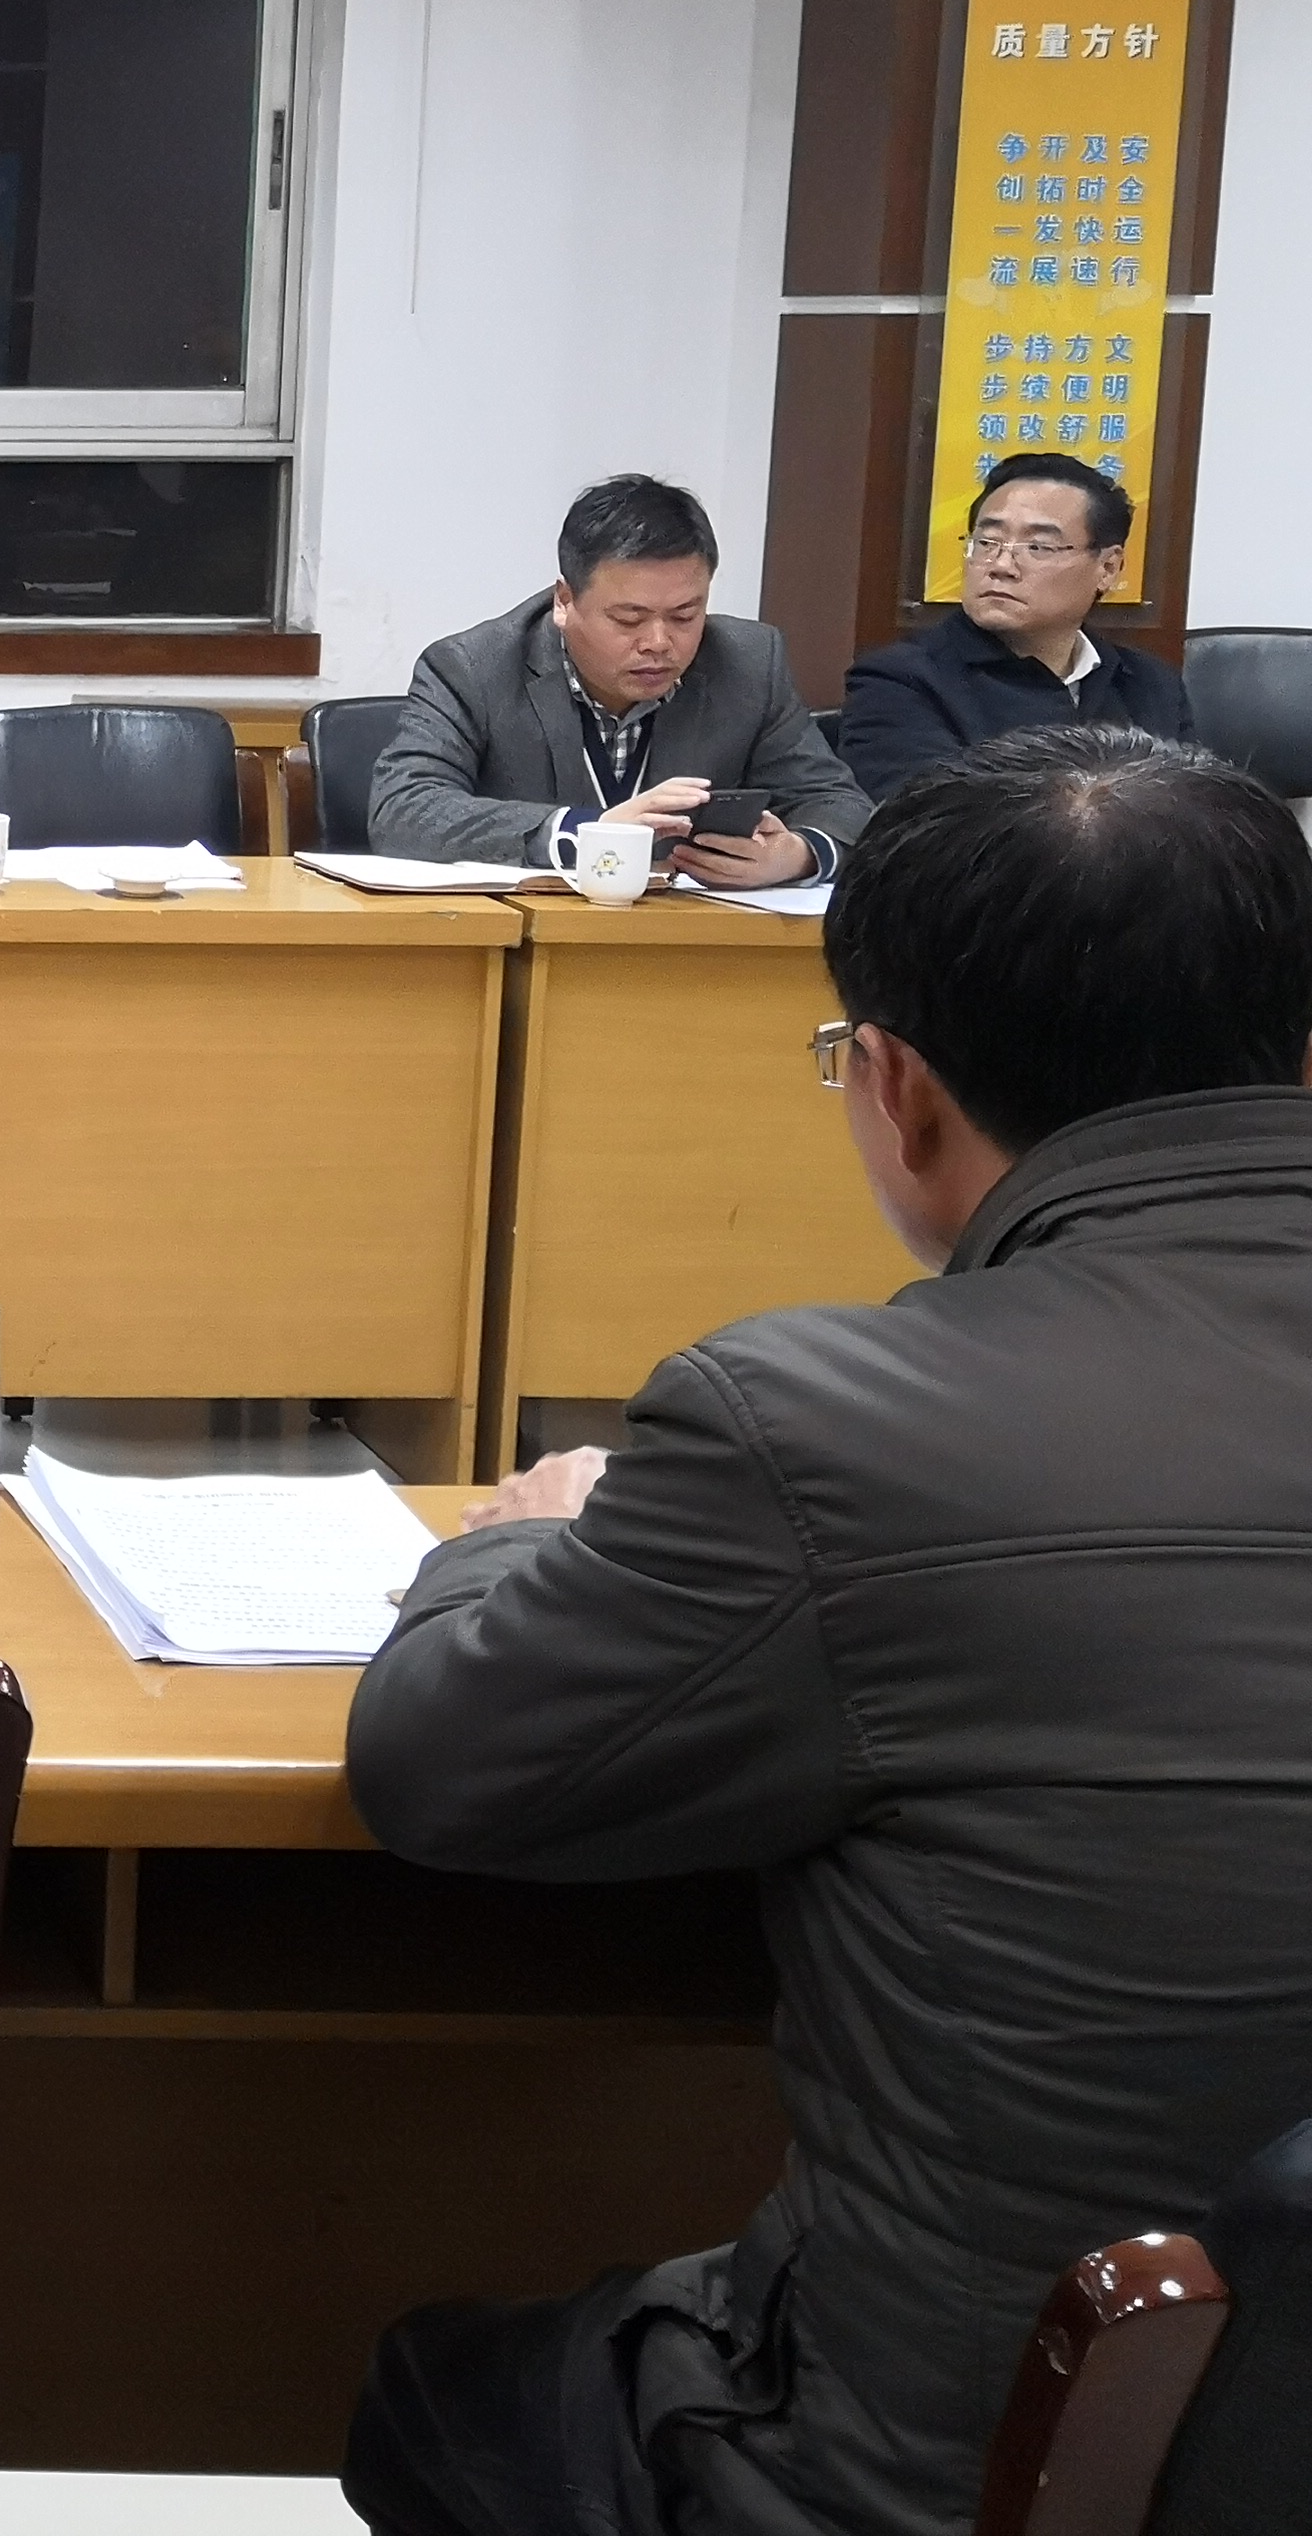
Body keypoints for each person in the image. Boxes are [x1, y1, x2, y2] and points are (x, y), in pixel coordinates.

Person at [339, 727, 1312, 2536]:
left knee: (439, 2389)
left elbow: (436, 1770)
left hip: (956, 2477)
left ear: (894, 1086)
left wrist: (521, 1543)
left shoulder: (824, 1427)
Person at [373, 475, 868, 886]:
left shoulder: (749, 664)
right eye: (629, 619)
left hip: (686, 947)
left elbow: (841, 805)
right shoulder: (472, 668)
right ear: (564, 601)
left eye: (685, 615)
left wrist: (798, 855)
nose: (659, 642)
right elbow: (404, 811)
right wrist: (585, 833)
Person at [838, 452, 1197, 802]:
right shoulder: (900, 679)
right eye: (987, 542)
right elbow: (928, 822)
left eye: (1038, 546)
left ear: (1107, 568)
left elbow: (1195, 813)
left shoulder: (1150, 685)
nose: (1001, 565)